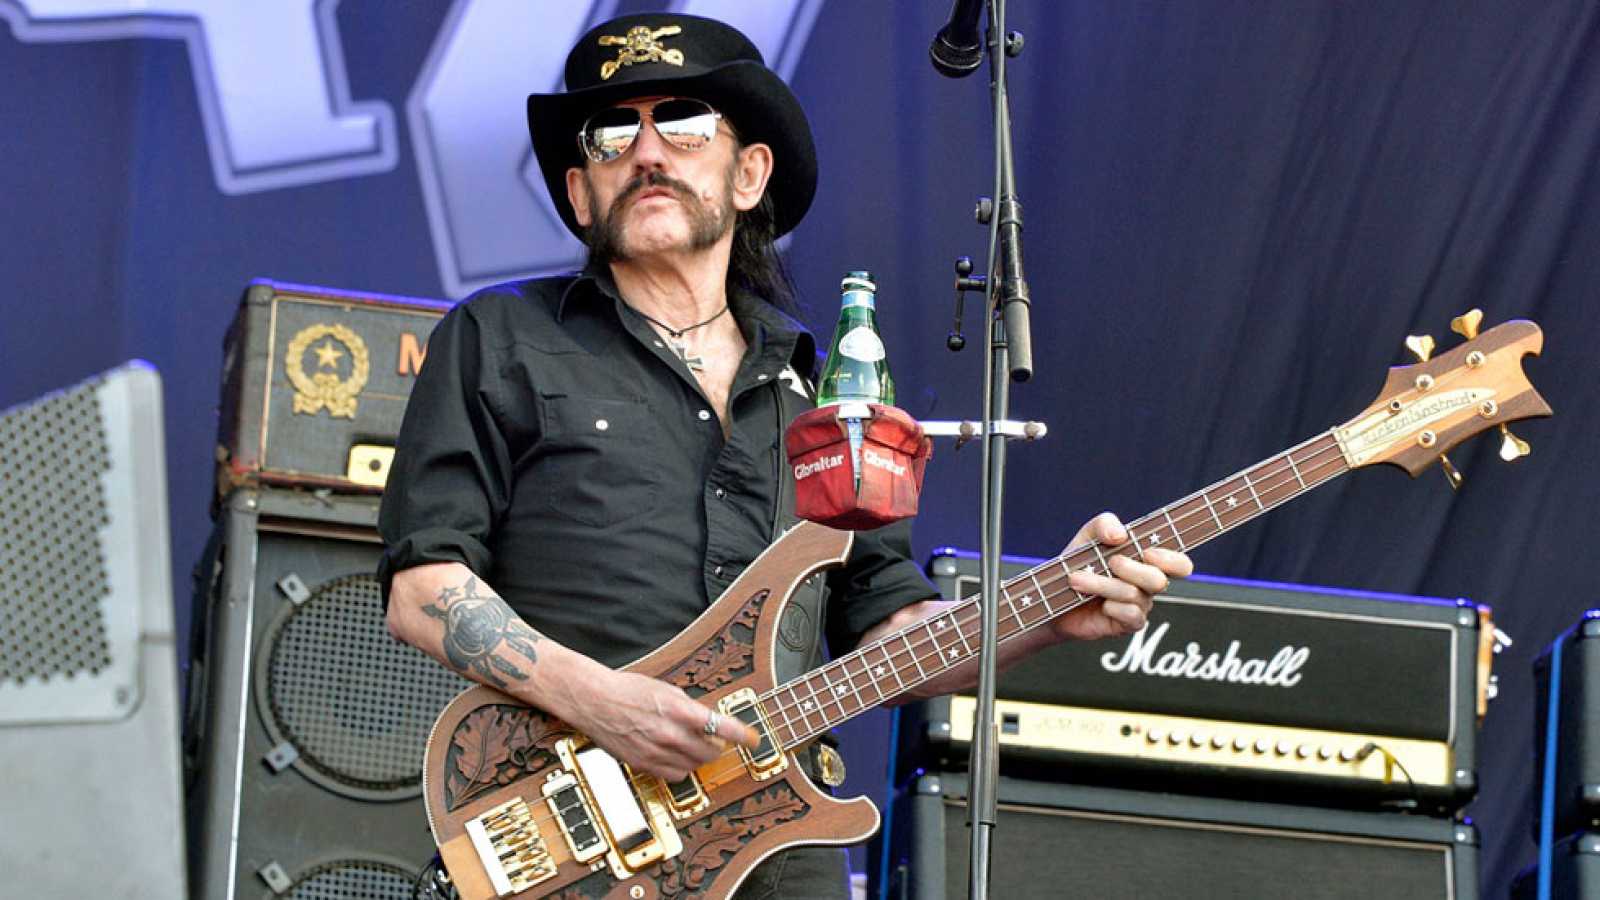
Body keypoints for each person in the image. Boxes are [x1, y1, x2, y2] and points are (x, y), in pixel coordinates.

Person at [378, 12, 1193, 898]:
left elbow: (888, 631)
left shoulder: (831, 398)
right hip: (571, 834)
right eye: (613, 134)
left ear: (749, 174)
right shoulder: (500, 338)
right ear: (581, 193)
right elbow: (424, 591)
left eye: (684, 124)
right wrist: (605, 705)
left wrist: (1047, 613)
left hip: (778, 851)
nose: (646, 152)